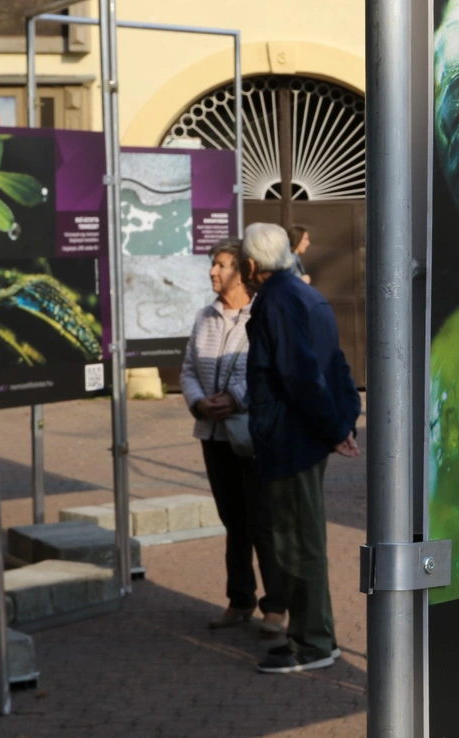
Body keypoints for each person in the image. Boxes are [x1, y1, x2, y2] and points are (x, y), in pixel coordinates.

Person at [242, 222, 361, 674]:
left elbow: (303, 375)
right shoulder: (307, 295)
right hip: (304, 436)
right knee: (303, 540)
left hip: (290, 440)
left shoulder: (277, 302)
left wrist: (335, 428)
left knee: (297, 545)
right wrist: (342, 422)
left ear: (250, 265)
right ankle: (316, 637)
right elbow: (336, 364)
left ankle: (312, 644)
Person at [181, 239, 286, 635]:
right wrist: (200, 402)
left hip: (251, 435)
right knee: (232, 520)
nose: (213, 271)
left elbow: (269, 368)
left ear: (243, 272)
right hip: (213, 435)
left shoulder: (261, 314)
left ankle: (275, 606)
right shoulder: (204, 316)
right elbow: (187, 369)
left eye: (222, 265)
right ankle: (240, 599)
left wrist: (234, 398)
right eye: (214, 264)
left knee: (262, 521)